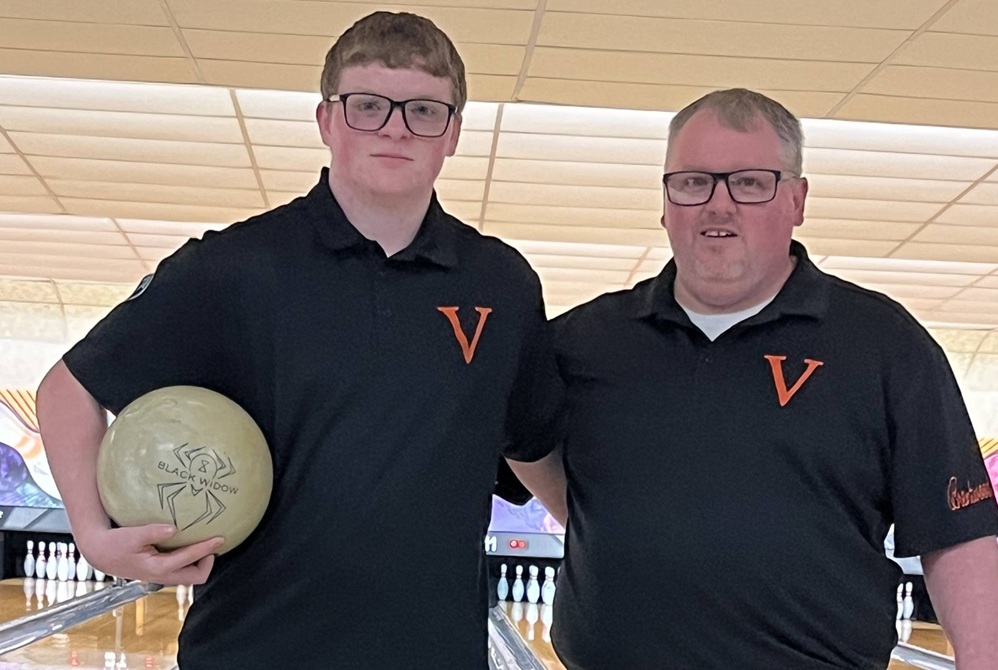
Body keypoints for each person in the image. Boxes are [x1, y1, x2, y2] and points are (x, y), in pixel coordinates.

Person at [36, 11, 560, 670]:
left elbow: (533, 441)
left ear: (452, 133)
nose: (396, 127)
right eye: (369, 105)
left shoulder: (502, 284)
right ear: (328, 121)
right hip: (253, 651)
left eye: (424, 110)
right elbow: (69, 388)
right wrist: (91, 534)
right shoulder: (233, 268)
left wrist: (618, 545)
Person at [509, 88, 998, 670]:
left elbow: (957, 533)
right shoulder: (584, 341)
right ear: (665, 203)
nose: (718, 206)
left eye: (749, 182)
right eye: (692, 183)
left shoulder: (884, 346)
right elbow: (521, 438)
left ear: (796, 199)